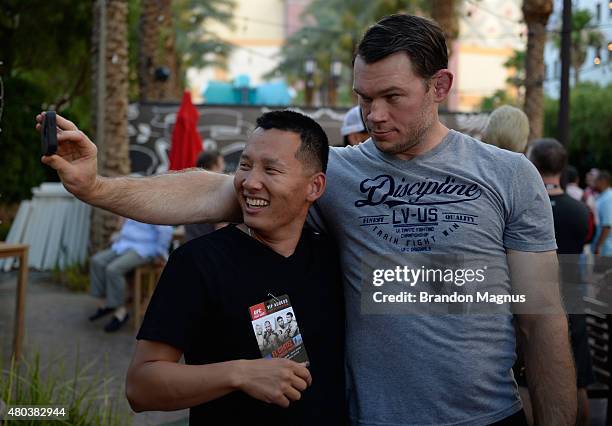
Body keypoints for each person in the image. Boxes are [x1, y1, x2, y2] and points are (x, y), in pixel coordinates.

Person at [37, 14, 575, 425]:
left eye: (392, 97)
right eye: (364, 98)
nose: (374, 116)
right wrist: (96, 185)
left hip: (489, 417)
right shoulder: (332, 173)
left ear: (440, 86)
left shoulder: (509, 176)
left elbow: (541, 319)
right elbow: (208, 191)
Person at [125, 111, 346, 424]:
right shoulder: (198, 262)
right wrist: (239, 373)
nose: (250, 182)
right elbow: (140, 387)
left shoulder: (335, 255)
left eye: (271, 169)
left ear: (314, 187)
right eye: (244, 165)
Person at [527, 138, 594, 426]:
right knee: (578, 378)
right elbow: (587, 241)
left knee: (528, 380)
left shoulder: (527, 206)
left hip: (533, 298)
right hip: (571, 295)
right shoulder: (581, 211)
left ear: (532, 163)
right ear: (563, 167)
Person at [88, 218, 173, 332]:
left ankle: (120, 312)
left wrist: (159, 252)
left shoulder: (152, 204)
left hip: (143, 248)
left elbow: (166, 231)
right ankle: (108, 303)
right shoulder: (134, 203)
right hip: (124, 245)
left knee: (113, 270)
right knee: (97, 261)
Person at [183, 149, 226, 242]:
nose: (224, 167)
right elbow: (221, 228)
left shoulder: (189, 187)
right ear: (214, 166)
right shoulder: (218, 190)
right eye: (222, 163)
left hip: (190, 245)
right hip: (209, 248)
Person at [592, 170, 612, 256]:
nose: (594, 183)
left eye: (596, 181)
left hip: (606, 248)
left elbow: (607, 225)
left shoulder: (608, 198)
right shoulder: (604, 196)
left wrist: (599, 246)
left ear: (603, 181)